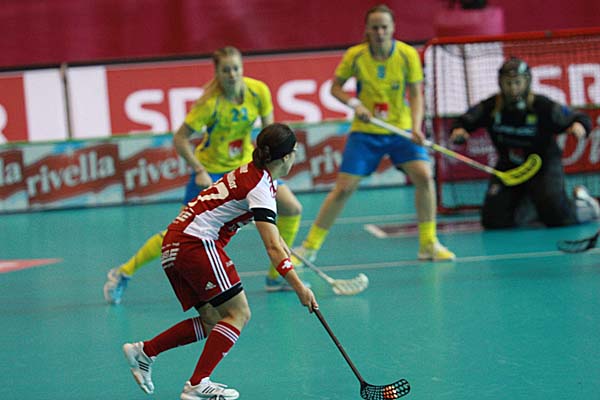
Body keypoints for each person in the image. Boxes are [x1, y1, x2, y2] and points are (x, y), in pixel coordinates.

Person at [122, 123, 318, 400]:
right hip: (195, 243)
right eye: (295, 151)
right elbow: (273, 248)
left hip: (174, 243)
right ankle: (197, 384)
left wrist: (278, 240)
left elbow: (267, 231)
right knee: (239, 313)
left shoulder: (251, 172)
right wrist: (300, 287)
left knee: (213, 318)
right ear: (286, 157)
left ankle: (145, 351)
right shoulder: (261, 188)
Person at [104, 46, 305, 304]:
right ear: (217, 73)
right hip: (211, 171)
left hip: (249, 166)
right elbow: (180, 139)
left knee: (292, 208)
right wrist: (199, 170)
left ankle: (275, 277)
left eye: (236, 68)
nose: (232, 74)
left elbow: (270, 134)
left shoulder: (258, 92)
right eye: (226, 70)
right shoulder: (209, 104)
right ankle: (123, 272)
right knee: (177, 232)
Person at [293, 4, 455, 264]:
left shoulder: (407, 55)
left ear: (393, 28)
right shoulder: (356, 56)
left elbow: (416, 95)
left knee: (425, 176)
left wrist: (416, 127)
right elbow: (336, 88)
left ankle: (428, 244)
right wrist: (355, 104)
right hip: (366, 132)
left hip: (400, 130)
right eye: (375, 28)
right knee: (343, 189)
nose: (380, 32)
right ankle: (309, 248)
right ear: (367, 29)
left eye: (384, 27)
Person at [450, 57, 599, 228]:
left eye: (517, 83)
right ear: (500, 83)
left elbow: (578, 117)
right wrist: (459, 130)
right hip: (509, 168)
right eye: (508, 83)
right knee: (492, 221)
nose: (513, 88)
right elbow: (464, 121)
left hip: (543, 167)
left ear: (527, 82)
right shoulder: (491, 107)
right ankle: (530, 206)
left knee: (557, 218)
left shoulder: (543, 106)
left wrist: (578, 126)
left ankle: (584, 203)